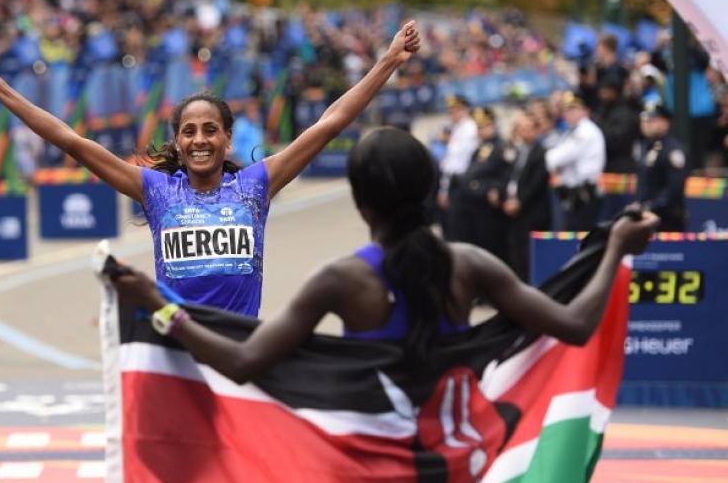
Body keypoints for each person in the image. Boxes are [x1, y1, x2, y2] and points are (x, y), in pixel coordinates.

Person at [112, 126, 658, 384]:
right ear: (429, 193)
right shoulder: (471, 264)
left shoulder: (340, 280)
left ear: (359, 201)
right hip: (452, 465)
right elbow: (576, 325)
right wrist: (615, 249)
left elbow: (243, 363)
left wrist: (152, 303)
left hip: (371, 476)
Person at [0, 20, 421, 316]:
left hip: (242, 352)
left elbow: (330, 122)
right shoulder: (156, 191)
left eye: (209, 130)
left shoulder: (255, 186)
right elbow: (72, 142)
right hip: (176, 354)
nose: (199, 139)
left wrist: (388, 62)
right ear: (178, 143)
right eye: (189, 132)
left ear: (226, 138)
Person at [455, 106, 512, 263]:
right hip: (475, 207)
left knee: (493, 251)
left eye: (484, 126)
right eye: (478, 127)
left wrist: (495, 188)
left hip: (490, 208)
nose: (480, 131)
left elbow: (507, 173)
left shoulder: (501, 147)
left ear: (492, 125)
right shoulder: (480, 148)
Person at [503, 109, 552, 282]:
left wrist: (519, 201)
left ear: (536, 130)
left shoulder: (540, 152)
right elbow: (509, 177)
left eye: (528, 129)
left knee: (528, 256)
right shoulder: (517, 151)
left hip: (531, 211)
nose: (524, 132)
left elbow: (536, 183)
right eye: (521, 129)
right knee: (516, 254)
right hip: (513, 210)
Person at [546, 91, 606, 231]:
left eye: (573, 109)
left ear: (584, 111)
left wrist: (551, 161)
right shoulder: (572, 131)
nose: (568, 114)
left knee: (580, 238)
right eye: (566, 110)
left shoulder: (585, 131)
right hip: (574, 196)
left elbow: (554, 159)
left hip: (584, 195)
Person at [636, 102, 688, 232]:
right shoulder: (645, 146)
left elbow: (674, 186)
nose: (646, 124)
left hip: (667, 218)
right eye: (644, 120)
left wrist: (652, 206)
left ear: (665, 123)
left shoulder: (673, 150)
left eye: (652, 120)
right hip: (645, 216)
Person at [437, 94, 479, 241]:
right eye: (450, 111)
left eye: (455, 110)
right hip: (453, 183)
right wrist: (444, 189)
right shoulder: (456, 129)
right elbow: (449, 163)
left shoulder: (470, 128)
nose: (451, 114)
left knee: (460, 231)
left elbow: (461, 162)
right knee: (451, 229)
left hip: (463, 183)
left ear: (463, 110)